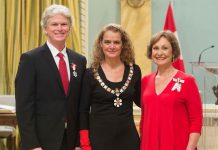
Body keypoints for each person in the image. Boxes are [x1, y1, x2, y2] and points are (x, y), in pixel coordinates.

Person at [15, 4, 86, 150]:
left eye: (64, 24)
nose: (59, 28)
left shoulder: (79, 60)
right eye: (54, 24)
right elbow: (24, 107)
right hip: (42, 141)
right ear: (45, 29)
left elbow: (80, 105)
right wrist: (32, 145)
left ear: (69, 28)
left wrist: (79, 143)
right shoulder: (30, 59)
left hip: (71, 141)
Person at [79, 24, 141, 150]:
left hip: (128, 140)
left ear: (123, 44)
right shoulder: (90, 73)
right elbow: (83, 111)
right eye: (107, 42)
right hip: (98, 141)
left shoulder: (134, 70)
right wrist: (85, 144)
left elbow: (144, 102)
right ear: (100, 44)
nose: (112, 46)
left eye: (116, 42)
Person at [140, 30, 203, 150]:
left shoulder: (187, 81)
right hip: (149, 144)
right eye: (155, 48)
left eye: (165, 48)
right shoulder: (145, 81)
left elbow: (196, 121)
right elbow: (144, 118)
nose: (160, 53)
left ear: (173, 51)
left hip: (178, 145)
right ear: (151, 52)